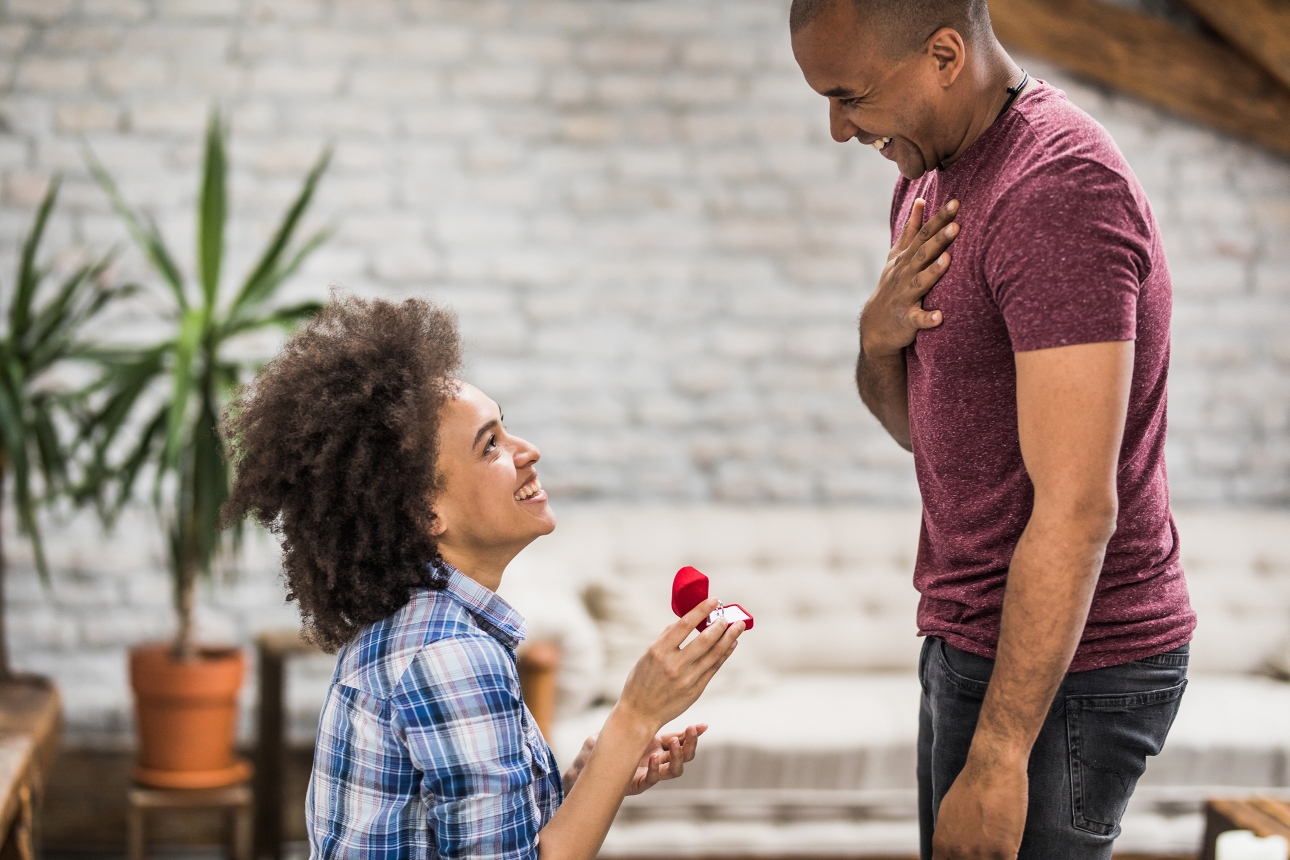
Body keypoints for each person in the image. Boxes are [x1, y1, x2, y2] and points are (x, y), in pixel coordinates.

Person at [789, 1, 1195, 858]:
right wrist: (875, 341)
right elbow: (924, 433)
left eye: (850, 96)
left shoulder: (1056, 191)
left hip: (1070, 670)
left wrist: (1002, 753)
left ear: (944, 54)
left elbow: (1080, 509)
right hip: (969, 633)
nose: (836, 129)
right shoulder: (928, 182)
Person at [222, 295, 744, 860]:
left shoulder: (417, 633)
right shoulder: (450, 658)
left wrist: (598, 775)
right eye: (489, 444)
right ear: (426, 514)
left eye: (506, 429)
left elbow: (485, 843)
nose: (528, 451)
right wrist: (634, 718)